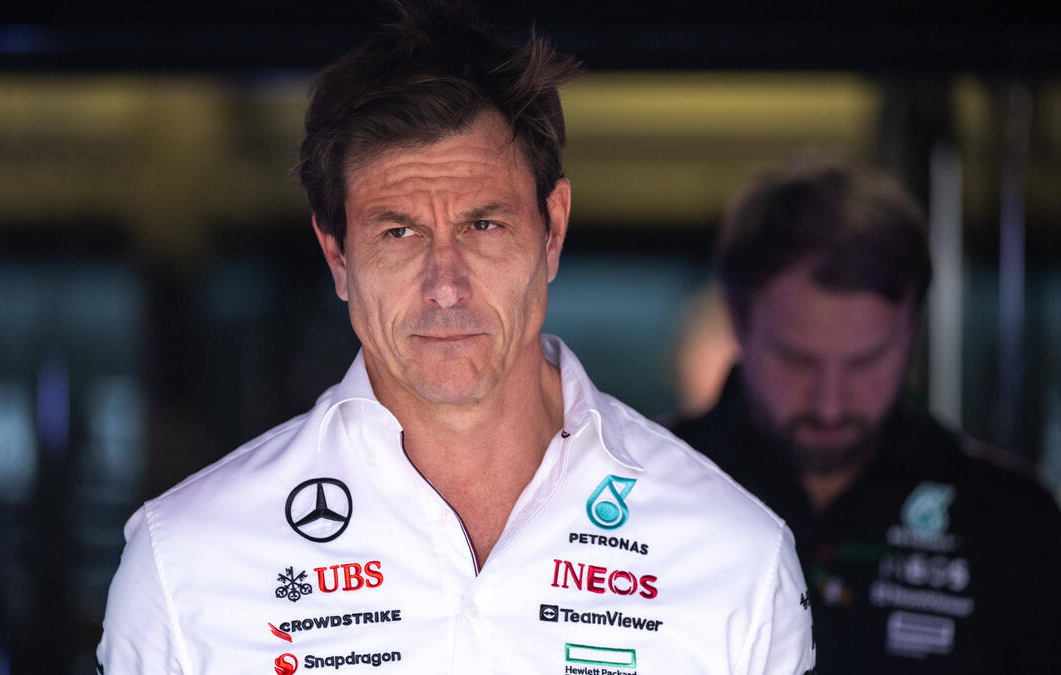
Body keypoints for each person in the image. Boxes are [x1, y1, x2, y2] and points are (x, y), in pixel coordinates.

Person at [97, 4, 814, 673]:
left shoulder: (736, 559)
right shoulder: (184, 564)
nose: (446, 286)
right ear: (337, 256)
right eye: (398, 233)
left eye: (483, 225)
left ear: (553, 230)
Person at [669, 155, 1061, 673]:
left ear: (913, 329)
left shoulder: (1012, 526)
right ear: (738, 322)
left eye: (866, 361)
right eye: (798, 360)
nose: (830, 403)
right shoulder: (645, 490)